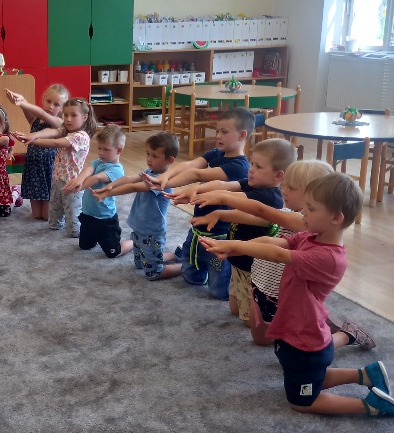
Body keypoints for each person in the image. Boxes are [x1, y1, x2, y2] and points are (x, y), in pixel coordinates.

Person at [199, 172, 394, 417]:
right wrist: (235, 246)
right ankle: (366, 375)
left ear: (336, 217)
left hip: (305, 339)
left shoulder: (329, 257)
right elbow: (276, 243)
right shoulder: (312, 236)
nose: (303, 213)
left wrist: (233, 246)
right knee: (307, 375)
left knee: (302, 401)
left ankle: (373, 406)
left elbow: (280, 255)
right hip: (298, 330)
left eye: (311, 209)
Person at [194, 158, 376, 350]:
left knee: (284, 343)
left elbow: (262, 212)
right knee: (253, 329)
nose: (283, 190)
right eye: (285, 184)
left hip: (280, 293)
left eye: (292, 188)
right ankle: (320, 324)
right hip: (262, 282)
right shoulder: (295, 216)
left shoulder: (303, 222)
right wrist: (227, 230)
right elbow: (260, 226)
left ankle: (341, 333)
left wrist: (223, 199)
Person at [174, 139, 294, 324]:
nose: (251, 169)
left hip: (251, 266)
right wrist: (197, 190)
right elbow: (224, 186)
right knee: (234, 308)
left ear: (278, 175)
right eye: (252, 163)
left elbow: (233, 200)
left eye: (258, 167)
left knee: (249, 320)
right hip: (236, 260)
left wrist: (217, 210)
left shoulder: (271, 197)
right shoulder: (253, 184)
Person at [157, 106, 254, 299]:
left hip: (220, 234)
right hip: (198, 227)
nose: (218, 135)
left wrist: (164, 183)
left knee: (219, 291)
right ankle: (185, 259)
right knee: (191, 276)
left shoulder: (239, 166)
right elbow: (190, 164)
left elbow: (197, 174)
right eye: (217, 131)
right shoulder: (216, 153)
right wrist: (165, 176)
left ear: (242, 135)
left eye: (224, 132)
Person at [95, 131, 181, 279]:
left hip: (152, 232)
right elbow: (129, 179)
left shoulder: (162, 182)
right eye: (148, 154)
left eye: (154, 156)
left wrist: (108, 193)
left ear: (170, 160)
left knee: (153, 273)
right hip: (139, 228)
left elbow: (134, 187)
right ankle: (175, 255)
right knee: (140, 264)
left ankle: (187, 267)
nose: (149, 159)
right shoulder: (149, 172)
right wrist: (110, 186)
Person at [13, 97, 98, 238]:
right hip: (57, 180)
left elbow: (56, 143)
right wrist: (32, 135)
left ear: (85, 117)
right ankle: (57, 224)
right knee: (54, 216)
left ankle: (80, 231)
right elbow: (51, 132)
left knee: (73, 222)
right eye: (66, 115)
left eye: (74, 115)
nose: (68, 119)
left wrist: (33, 141)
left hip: (72, 184)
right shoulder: (67, 130)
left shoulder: (81, 136)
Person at [5, 83, 68, 220]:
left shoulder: (59, 123)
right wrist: (20, 100)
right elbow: (32, 112)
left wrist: (24, 103)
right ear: (43, 99)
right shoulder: (35, 120)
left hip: (48, 167)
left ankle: (59, 208)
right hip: (33, 165)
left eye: (56, 104)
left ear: (62, 108)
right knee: (36, 215)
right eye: (48, 101)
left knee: (46, 216)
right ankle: (16, 193)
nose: (51, 106)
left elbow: (41, 113)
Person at [65, 124, 128, 257]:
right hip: (88, 214)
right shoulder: (98, 162)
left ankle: (133, 243)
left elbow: (96, 178)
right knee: (85, 246)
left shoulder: (117, 170)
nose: (101, 152)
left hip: (105, 218)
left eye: (106, 149)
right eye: (99, 148)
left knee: (113, 253)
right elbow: (88, 170)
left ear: (119, 150)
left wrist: (78, 187)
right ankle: (97, 238)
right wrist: (78, 179)